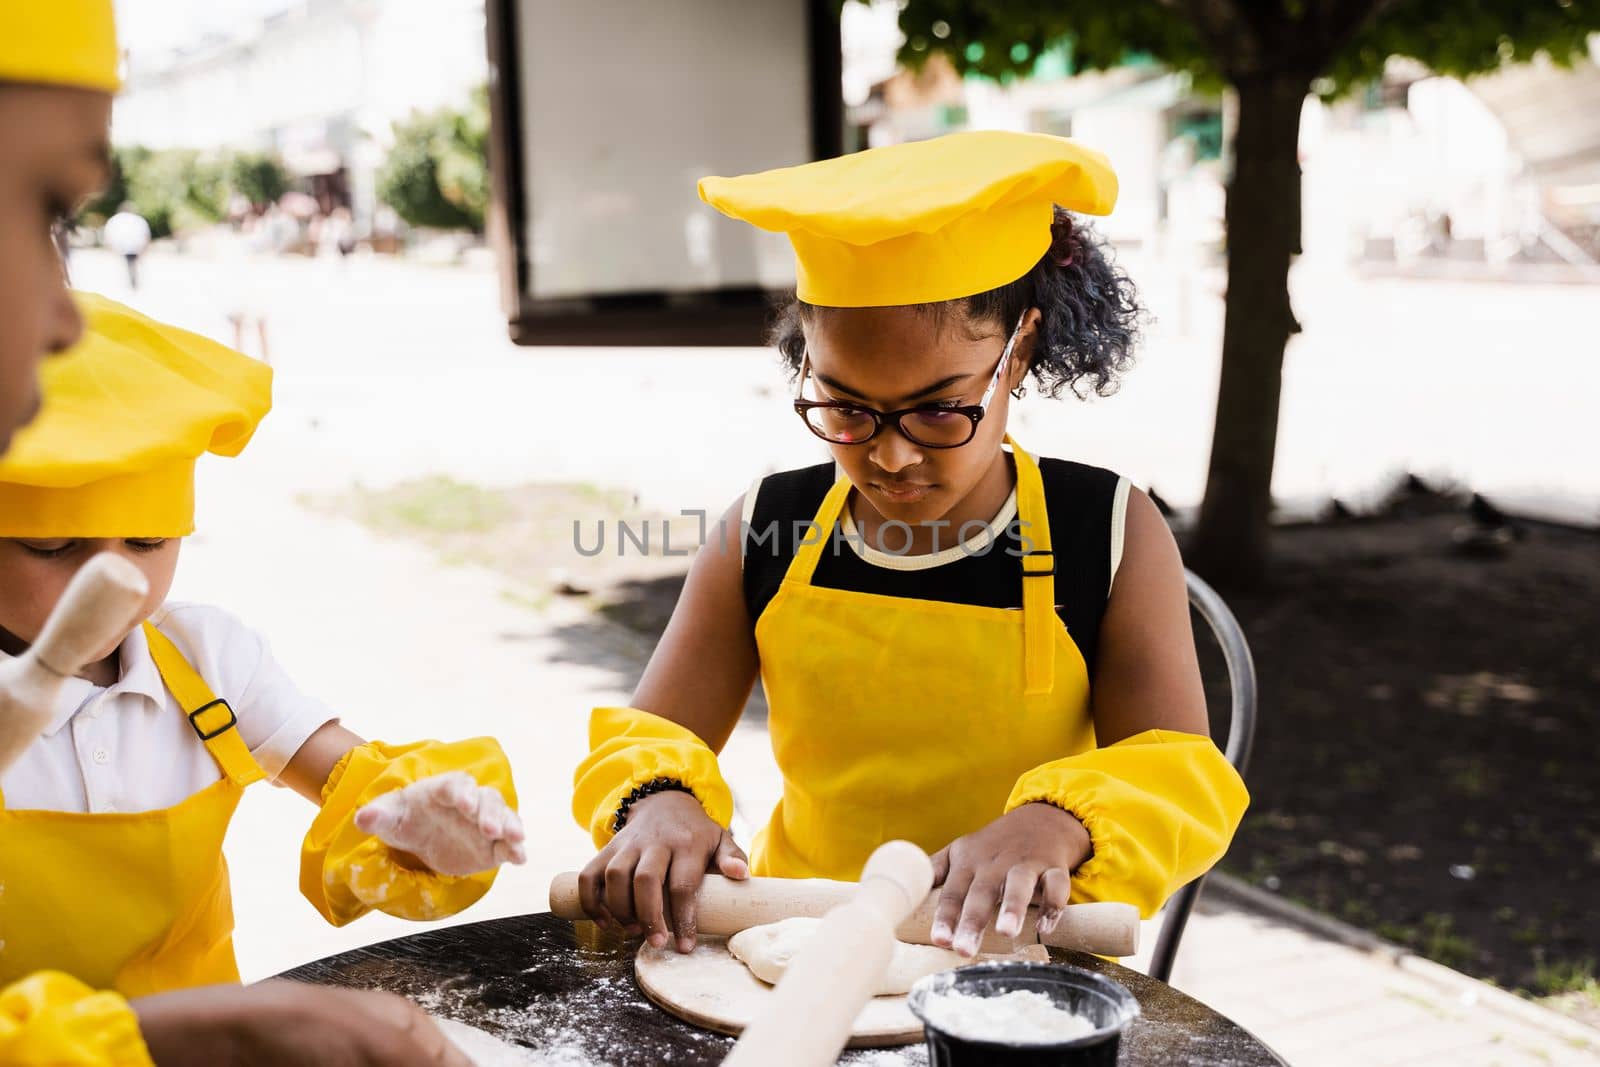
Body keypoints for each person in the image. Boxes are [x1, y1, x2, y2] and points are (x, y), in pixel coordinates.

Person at [572, 131, 1250, 958]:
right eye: (846, 409)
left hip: (1007, 964)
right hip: (790, 943)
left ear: (1019, 351)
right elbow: (654, 732)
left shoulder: (1105, 530)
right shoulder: (765, 530)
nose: (889, 456)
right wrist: (658, 797)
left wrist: (1059, 823)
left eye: (938, 409)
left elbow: (1175, 766)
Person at [0, 5, 476, 1063]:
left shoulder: (198, 663)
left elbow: (354, 781)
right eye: (52, 549)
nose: (115, 579)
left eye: (151, 540)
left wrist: (412, 813)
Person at [103, 202, 150, 289]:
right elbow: (145, 235)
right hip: (136, 247)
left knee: (125, 266)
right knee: (132, 265)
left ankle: (128, 284)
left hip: (120, 247)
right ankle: (133, 283)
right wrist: (144, 248)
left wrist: (110, 247)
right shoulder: (139, 219)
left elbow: (108, 234)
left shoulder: (114, 219)